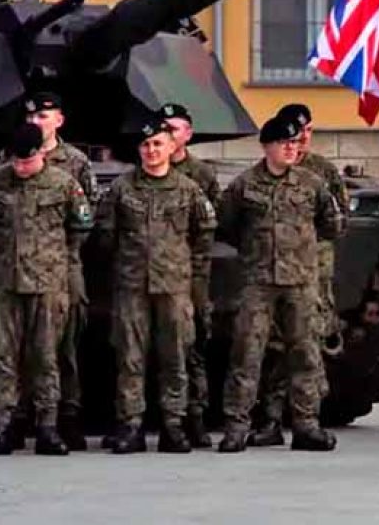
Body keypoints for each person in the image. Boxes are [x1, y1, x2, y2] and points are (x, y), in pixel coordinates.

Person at [215, 114, 344, 453]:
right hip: (258, 283)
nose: (291, 148)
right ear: (266, 146)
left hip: (300, 281)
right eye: (283, 143)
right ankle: (237, 427)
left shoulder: (311, 184)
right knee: (247, 354)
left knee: (305, 355)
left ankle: (306, 425)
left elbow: (331, 225)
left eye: (294, 142)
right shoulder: (244, 186)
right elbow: (226, 225)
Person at [93, 116, 216, 454]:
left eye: (158, 144)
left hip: (174, 287)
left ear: (172, 146)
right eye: (146, 145)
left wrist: (188, 273)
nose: (151, 150)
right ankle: (130, 425)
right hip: (132, 286)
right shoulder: (122, 188)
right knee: (130, 358)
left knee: (175, 357)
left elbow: (203, 236)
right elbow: (105, 235)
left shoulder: (188, 190)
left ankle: (173, 425)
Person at [0, 124, 94, 457]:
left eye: (27, 161)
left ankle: (47, 427)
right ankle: (2, 425)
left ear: (40, 153)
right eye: (16, 162)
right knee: (3, 357)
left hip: (47, 284)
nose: (21, 168)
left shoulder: (64, 184)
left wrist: (51, 258)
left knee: (46, 357)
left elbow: (80, 226)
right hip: (4, 284)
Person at [248, 103, 350, 447]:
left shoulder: (322, 173)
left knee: (307, 346)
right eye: (293, 132)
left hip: (312, 273)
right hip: (270, 273)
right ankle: (271, 419)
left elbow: (337, 222)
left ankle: (308, 418)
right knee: (274, 346)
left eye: (306, 131)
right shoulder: (256, 177)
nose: (300, 139)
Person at [18, 91, 98, 450]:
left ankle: (67, 415)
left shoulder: (76, 162)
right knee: (18, 345)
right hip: (18, 267)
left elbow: (86, 217)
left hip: (64, 265)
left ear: (59, 120)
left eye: (44, 117)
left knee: (64, 344)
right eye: (32, 117)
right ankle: (19, 416)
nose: (37, 122)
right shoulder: (12, 156)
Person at [160, 102, 220, 448]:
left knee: (192, 344)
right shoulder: (138, 177)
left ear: (188, 133)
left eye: (174, 128)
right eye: (162, 128)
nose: (167, 135)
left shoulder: (202, 176)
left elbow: (214, 225)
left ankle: (194, 415)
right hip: (142, 276)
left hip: (191, 275)